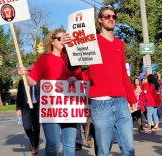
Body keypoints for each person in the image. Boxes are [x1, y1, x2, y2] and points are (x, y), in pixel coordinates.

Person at [61, 7, 138, 156]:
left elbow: (123, 74)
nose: (111, 19)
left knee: (129, 149)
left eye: (114, 16)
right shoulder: (91, 40)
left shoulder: (120, 44)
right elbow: (72, 65)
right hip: (100, 104)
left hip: (121, 102)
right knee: (103, 151)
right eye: (107, 16)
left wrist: (131, 97)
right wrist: (66, 48)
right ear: (100, 20)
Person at [18, 27, 83, 156]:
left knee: (70, 146)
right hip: (50, 109)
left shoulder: (74, 59)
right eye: (61, 38)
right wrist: (24, 74)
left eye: (66, 38)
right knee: (53, 144)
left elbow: (81, 80)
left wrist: (75, 79)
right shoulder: (44, 59)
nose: (64, 41)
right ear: (53, 41)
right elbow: (33, 81)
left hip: (69, 107)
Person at [16, 67, 40, 155]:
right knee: (26, 127)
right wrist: (18, 108)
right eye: (28, 70)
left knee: (36, 128)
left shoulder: (39, 81)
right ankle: (32, 140)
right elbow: (19, 96)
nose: (30, 72)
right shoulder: (22, 82)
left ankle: (34, 146)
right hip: (25, 107)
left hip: (37, 106)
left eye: (31, 71)